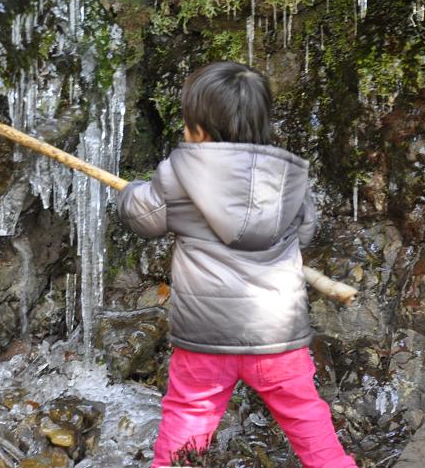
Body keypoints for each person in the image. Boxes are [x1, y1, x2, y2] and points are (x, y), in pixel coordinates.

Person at [117, 61, 358, 468]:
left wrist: (132, 193)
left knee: (188, 420)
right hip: (278, 337)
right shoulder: (289, 176)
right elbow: (304, 233)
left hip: (205, 337)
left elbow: (145, 219)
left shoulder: (176, 173)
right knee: (306, 417)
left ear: (199, 129)